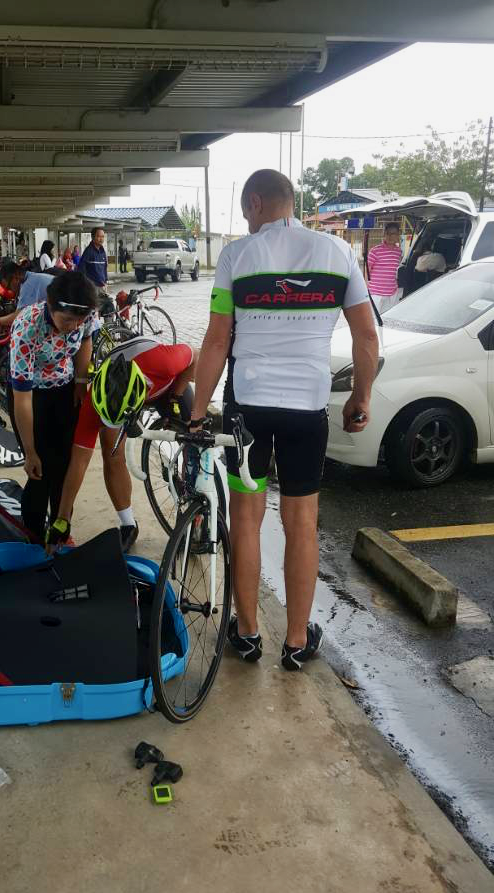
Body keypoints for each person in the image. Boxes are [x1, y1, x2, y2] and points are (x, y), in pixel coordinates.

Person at [190, 169, 379, 671]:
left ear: (255, 202)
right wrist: (360, 397)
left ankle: (248, 634)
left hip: (248, 405)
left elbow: (216, 339)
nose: (245, 220)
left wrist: (195, 408)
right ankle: (296, 642)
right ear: (291, 203)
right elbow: (366, 338)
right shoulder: (338, 253)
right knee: (303, 523)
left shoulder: (237, 256)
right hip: (307, 407)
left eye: (245, 210)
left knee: (246, 518)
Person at [46, 337, 196, 553]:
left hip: (169, 386)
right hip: (121, 390)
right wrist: (62, 519)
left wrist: (176, 396)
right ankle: (128, 524)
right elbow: (79, 462)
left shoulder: (165, 362)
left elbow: (197, 356)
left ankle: (197, 508)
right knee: (112, 453)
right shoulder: (93, 401)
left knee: (196, 439)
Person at [9, 271, 98, 540]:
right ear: (50, 305)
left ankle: (60, 530)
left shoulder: (85, 315)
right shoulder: (27, 328)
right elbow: (22, 400)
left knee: (64, 466)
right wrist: (30, 451)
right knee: (40, 472)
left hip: (64, 387)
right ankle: (34, 535)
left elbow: (85, 341)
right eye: (67, 320)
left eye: (79, 320)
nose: (73, 326)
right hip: (31, 395)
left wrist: (80, 382)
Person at [366, 222, 403, 313]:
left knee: (387, 320)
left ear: (398, 235)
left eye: (393, 233)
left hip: (392, 293)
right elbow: (367, 271)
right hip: (376, 294)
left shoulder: (399, 252)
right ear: (384, 235)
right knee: (374, 320)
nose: (390, 236)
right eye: (387, 233)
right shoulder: (375, 251)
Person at [78, 227, 108, 292]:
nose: (101, 239)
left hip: (102, 286)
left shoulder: (103, 251)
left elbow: (104, 268)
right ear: (93, 237)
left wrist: (105, 281)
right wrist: (87, 284)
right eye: (98, 236)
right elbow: (81, 269)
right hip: (92, 288)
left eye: (103, 236)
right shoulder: (88, 251)